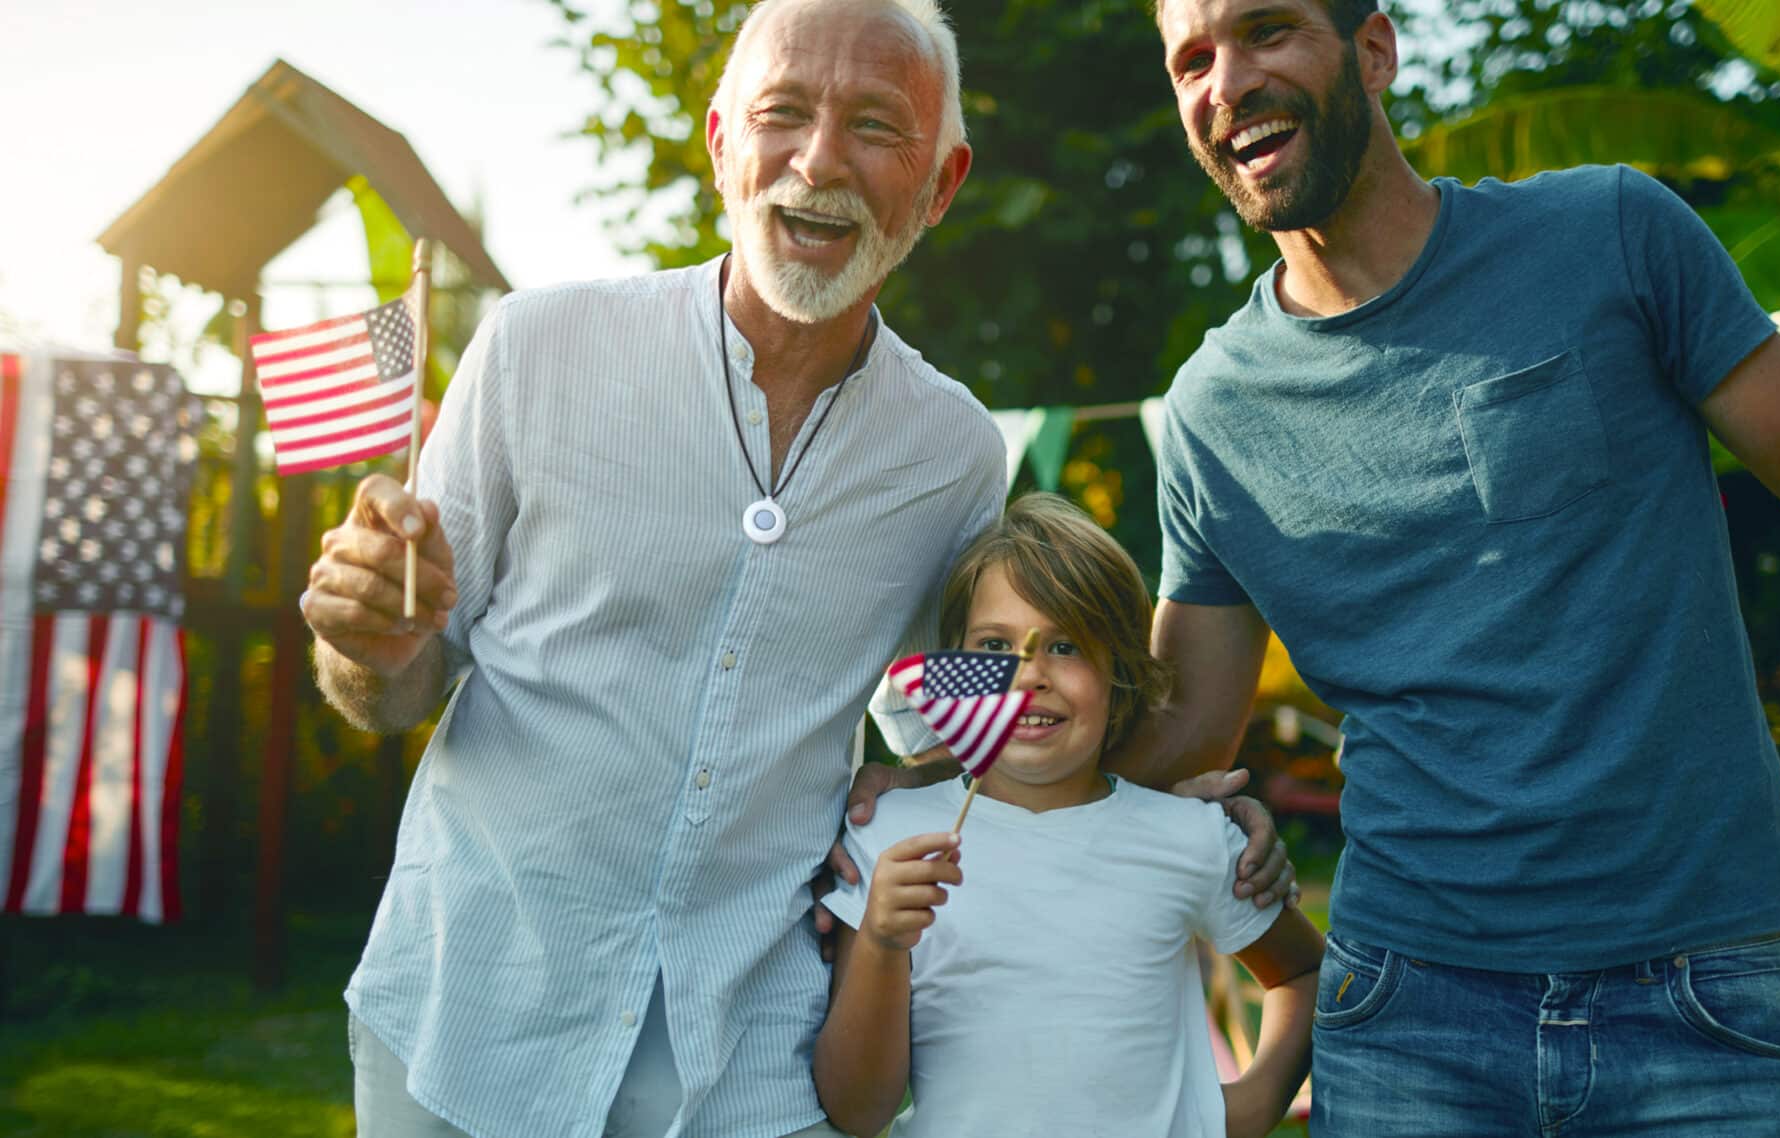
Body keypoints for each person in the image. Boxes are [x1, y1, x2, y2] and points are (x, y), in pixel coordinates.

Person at [303, 2, 1286, 1135]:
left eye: (875, 125)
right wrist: (366, 645)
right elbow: (399, 687)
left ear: (941, 182)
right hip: (470, 1014)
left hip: (751, 1052)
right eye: (782, 115)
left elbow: (950, 729)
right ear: (722, 142)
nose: (818, 162)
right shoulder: (536, 347)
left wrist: (1152, 809)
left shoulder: (956, 454)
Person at [1131, 0, 1780, 1134]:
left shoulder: (1611, 232)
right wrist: (930, 758)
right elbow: (1176, 739)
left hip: (1700, 994)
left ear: (1372, 52)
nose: (1225, 81)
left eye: (1266, 31)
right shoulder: (1210, 414)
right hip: (1408, 1013)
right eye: (1190, 60)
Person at [811, 493, 1324, 1138]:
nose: (1028, 676)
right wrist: (884, 945)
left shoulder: (1189, 836)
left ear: (1122, 677)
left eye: (1064, 645)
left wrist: (1248, 1106)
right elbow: (858, 1112)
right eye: (994, 646)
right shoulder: (889, 838)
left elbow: (1304, 971)